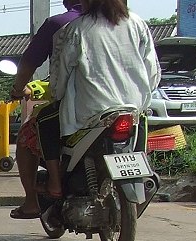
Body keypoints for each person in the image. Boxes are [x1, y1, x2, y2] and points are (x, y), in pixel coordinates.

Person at [42, 0, 160, 197]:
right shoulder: (138, 23)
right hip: (133, 107)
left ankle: (55, 183)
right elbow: (153, 72)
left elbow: (60, 74)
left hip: (90, 111)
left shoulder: (76, 29)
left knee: (45, 121)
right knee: (142, 124)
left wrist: (57, 95)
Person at [8, 0, 83, 219]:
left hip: (83, 106)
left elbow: (32, 63)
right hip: (130, 105)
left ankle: (38, 196)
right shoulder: (129, 24)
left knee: (33, 130)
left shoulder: (65, 25)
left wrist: (18, 88)